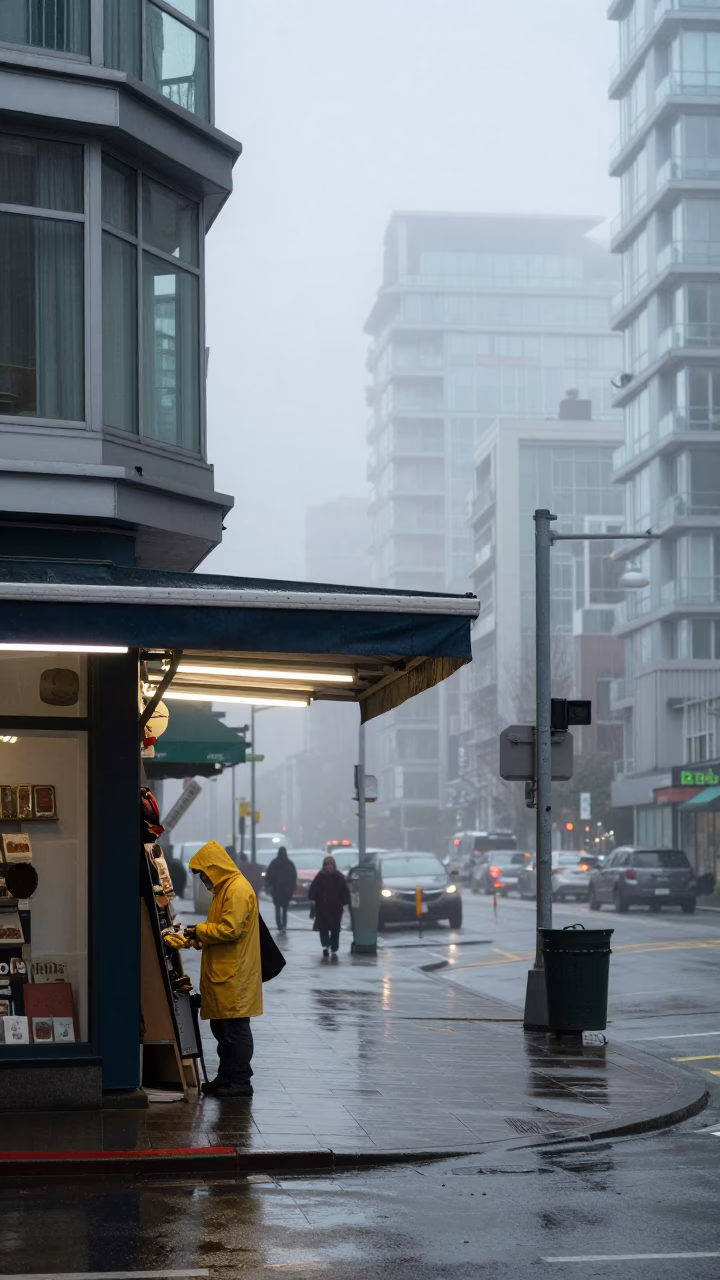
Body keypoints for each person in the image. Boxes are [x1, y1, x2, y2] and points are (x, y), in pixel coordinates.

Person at [186, 840, 262, 1099]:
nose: (204, 880)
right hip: (225, 975)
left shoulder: (237, 890)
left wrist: (198, 931)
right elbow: (218, 930)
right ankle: (226, 1077)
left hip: (234, 977)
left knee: (235, 1032)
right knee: (223, 1032)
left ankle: (240, 1081)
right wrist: (193, 938)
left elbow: (230, 929)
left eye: (204, 874)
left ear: (214, 867)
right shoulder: (225, 890)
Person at [308, 854, 349, 960]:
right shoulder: (320, 876)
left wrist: (343, 901)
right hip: (322, 907)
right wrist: (313, 897)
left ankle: (334, 947)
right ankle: (325, 946)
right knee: (323, 928)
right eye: (327, 865)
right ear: (324, 866)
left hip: (335, 907)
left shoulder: (338, 876)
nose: (329, 867)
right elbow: (313, 889)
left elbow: (344, 890)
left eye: (331, 864)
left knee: (335, 928)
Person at [265, 846, 297, 933]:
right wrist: (291, 888)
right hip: (286, 890)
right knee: (285, 909)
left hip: (276, 890)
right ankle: (284, 925)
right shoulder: (290, 864)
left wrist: (270, 886)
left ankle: (279, 924)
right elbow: (293, 877)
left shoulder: (274, 863)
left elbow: (269, 877)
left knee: (277, 908)